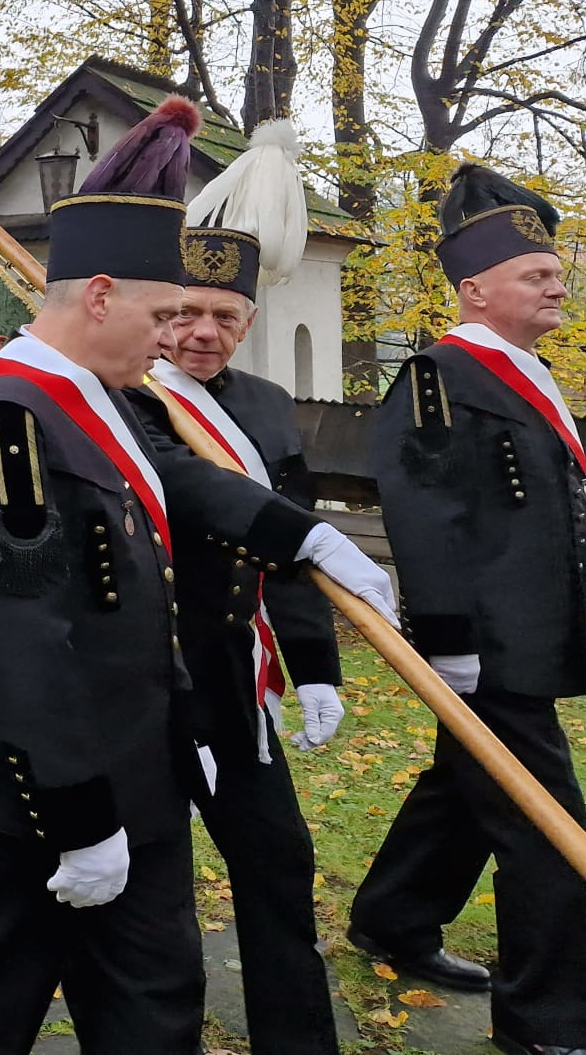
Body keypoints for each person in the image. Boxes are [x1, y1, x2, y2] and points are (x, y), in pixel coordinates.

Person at [0, 100, 398, 1055]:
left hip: (141, 770)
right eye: (161, 313)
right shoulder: (10, 419)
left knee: (154, 1006)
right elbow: (23, 643)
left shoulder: (98, 404)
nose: (173, 338)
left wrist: (299, 536)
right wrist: (80, 816)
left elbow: (173, 477)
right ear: (98, 296)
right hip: (48, 796)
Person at [347, 164, 586, 1055]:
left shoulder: (525, 372)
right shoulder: (438, 376)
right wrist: (449, 647)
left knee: (464, 790)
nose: (558, 283)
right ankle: (544, 1024)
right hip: (488, 649)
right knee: (546, 824)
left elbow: (545, 516)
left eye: (555, 271)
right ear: (475, 289)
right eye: (537, 275)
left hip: (531, 636)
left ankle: (391, 918)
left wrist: (577, 626)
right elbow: (426, 521)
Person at [126, 122, 346, 1055]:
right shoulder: (122, 394)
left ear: (249, 323)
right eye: (183, 313)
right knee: (152, 894)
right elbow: (186, 484)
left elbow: (286, 549)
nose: (202, 333)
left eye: (224, 317)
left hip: (236, 680)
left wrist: (317, 665)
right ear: (155, 313)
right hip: (145, 682)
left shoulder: (263, 406)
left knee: (278, 867)